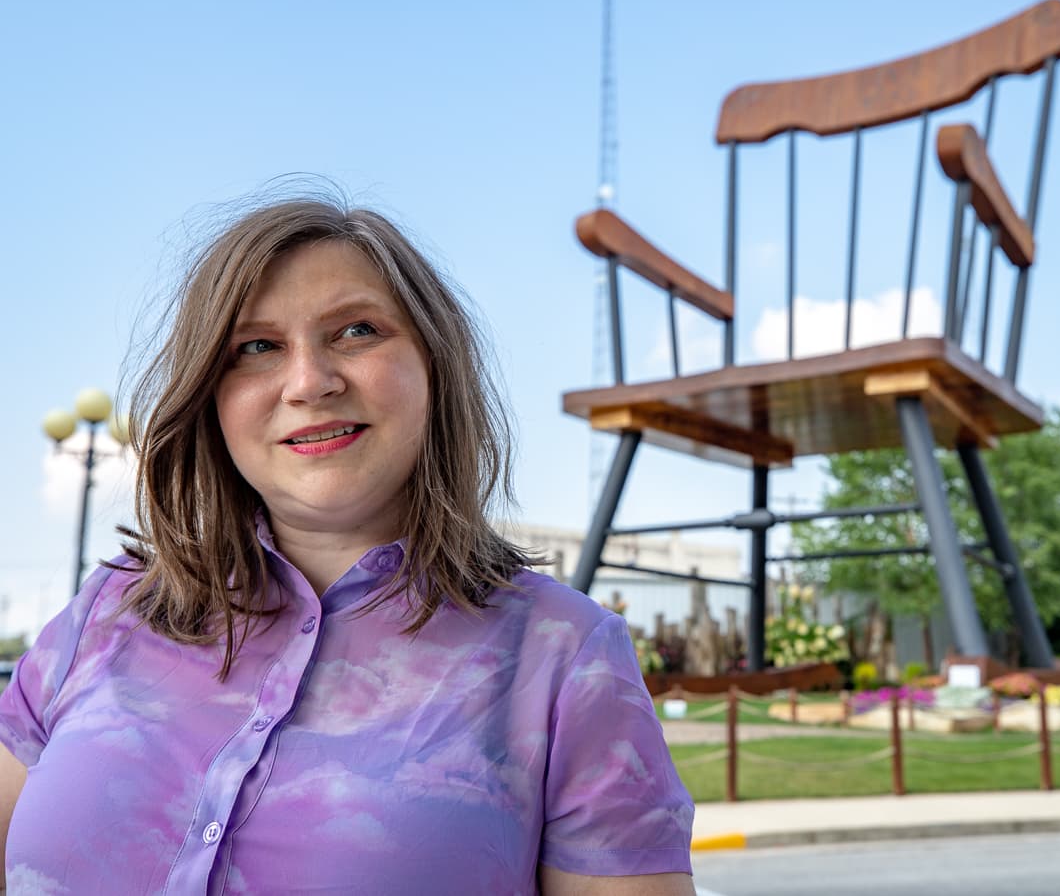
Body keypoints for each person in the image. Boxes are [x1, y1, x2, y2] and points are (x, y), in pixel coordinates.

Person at [0, 197, 695, 894]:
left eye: (356, 330)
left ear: (434, 365)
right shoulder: (109, 610)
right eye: (257, 346)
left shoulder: (564, 657)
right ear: (210, 394)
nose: (310, 381)